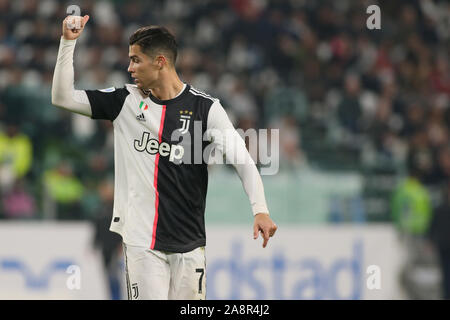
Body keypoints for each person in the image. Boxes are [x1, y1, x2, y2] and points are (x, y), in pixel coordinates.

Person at [51, 15, 277, 300]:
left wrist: (261, 209)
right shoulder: (124, 101)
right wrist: (68, 43)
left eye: (136, 60)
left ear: (160, 62)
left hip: (190, 244)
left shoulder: (206, 108)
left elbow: (242, 160)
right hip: (141, 242)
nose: (129, 67)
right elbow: (62, 97)